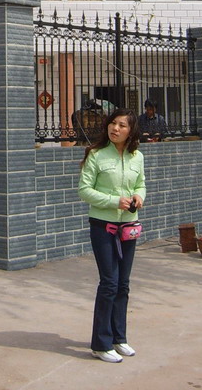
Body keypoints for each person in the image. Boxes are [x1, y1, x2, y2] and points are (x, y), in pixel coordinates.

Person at [78, 108, 146, 363]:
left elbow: (140, 183)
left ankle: (119, 338)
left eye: (122, 125)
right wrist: (113, 201)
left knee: (123, 284)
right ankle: (101, 343)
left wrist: (139, 196)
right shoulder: (96, 155)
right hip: (103, 226)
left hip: (128, 226)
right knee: (109, 283)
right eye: (113, 123)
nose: (115, 128)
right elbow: (84, 190)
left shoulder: (137, 156)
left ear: (131, 131)